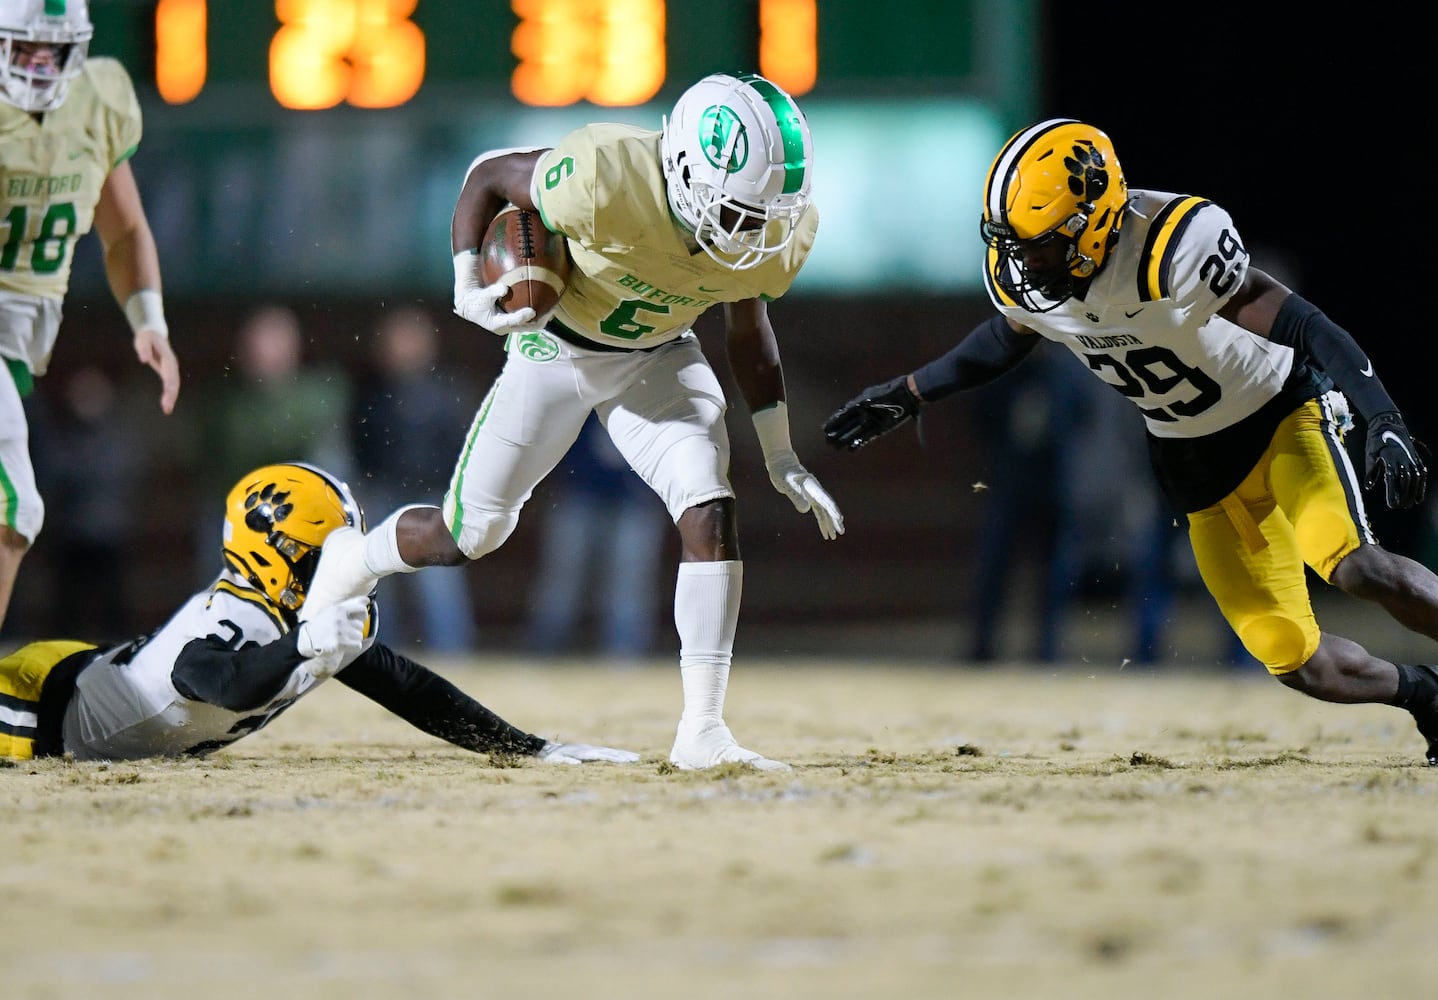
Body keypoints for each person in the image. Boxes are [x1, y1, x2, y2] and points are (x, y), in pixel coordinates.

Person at [824, 118, 1438, 765]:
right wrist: (911, 391)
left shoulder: (1171, 248)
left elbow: (1305, 324)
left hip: (1276, 416)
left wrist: (1383, 418)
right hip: (1193, 459)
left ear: (1092, 223)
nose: (1023, 262)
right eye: (1015, 245)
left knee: (1355, 567)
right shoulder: (1032, 275)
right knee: (1295, 660)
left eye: (1040, 246)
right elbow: (1008, 335)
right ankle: (1426, 697)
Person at [298, 72, 844, 772]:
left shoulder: (772, 229)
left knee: (708, 502)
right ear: (683, 173)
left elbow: (748, 324)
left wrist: (778, 449)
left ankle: (702, 729)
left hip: (657, 355)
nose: (754, 231)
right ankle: (349, 562)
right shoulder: (604, 176)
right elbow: (488, 176)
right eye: (737, 211)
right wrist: (467, 279)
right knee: (469, 534)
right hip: (555, 349)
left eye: (765, 212)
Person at [0, 461, 637, 764]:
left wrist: (531, 749)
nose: (337, 566)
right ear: (274, 553)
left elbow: (409, 689)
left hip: (96, 686)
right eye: (320, 551)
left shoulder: (303, 615)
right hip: (41, 710)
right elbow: (215, 680)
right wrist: (299, 645)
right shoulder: (231, 615)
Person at [0, 0, 179, 634]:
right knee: (14, 509)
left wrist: (148, 321)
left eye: (55, 50)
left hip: (18, 342)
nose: (41, 64)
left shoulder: (98, 98)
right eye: (25, 48)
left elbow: (125, 231)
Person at [194, 302, 351, 584]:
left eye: (272, 341)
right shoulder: (225, 403)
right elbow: (211, 457)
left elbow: (322, 459)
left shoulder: (318, 394)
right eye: (254, 343)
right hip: (237, 509)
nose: (261, 351)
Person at [351, 305, 477, 654]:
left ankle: (453, 654)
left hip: (430, 499)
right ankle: (379, 655)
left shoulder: (447, 390)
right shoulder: (371, 392)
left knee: (440, 589)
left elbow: (461, 446)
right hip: (383, 495)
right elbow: (360, 444)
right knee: (378, 587)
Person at [522, 412, 667, 659]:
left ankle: (624, 655)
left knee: (629, 584)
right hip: (578, 494)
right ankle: (543, 650)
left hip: (634, 501)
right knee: (563, 578)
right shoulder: (584, 388)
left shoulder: (651, 397)